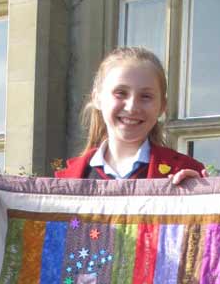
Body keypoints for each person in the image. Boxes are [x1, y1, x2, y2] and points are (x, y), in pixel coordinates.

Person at [56, 46, 205, 183]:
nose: (132, 107)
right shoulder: (66, 180)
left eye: (146, 96)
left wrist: (199, 199)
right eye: (120, 93)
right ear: (97, 98)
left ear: (162, 106)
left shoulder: (185, 171)